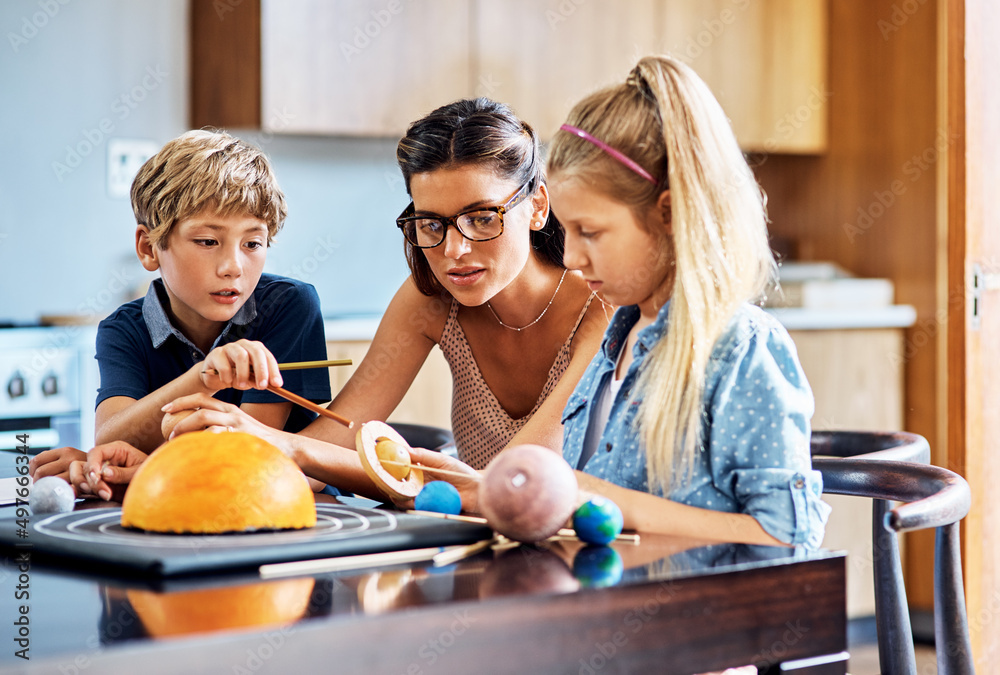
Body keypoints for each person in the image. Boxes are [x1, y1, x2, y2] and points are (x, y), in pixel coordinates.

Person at [74, 99, 608, 501]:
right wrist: (172, 467)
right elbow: (334, 444)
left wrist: (271, 444)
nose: (454, 250)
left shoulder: (602, 301)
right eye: (431, 223)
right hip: (485, 546)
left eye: (483, 217)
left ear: (537, 207)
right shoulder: (433, 298)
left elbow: (513, 485)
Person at [30, 130, 331, 490]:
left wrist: (139, 468)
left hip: (288, 511)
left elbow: (246, 454)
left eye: (253, 243)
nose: (233, 266)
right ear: (149, 248)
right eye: (208, 241)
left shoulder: (288, 306)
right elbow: (110, 439)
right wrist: (205, 376)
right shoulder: (123, 329)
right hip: (182, 507)